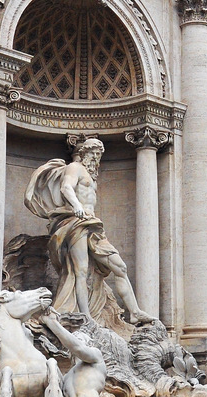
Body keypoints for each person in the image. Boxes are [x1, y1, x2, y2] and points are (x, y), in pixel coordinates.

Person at [24, 137, 153, 324]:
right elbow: (66, 187)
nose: (96, 159)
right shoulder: (74, 168)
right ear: (84, 153)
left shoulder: (91, 176)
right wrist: (77, 205)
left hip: (92, 224)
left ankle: (134, 312)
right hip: (76, 222)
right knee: (80, 272)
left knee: (120, 267)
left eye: (99, 155)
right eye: (93, 154)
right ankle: (86, 317)